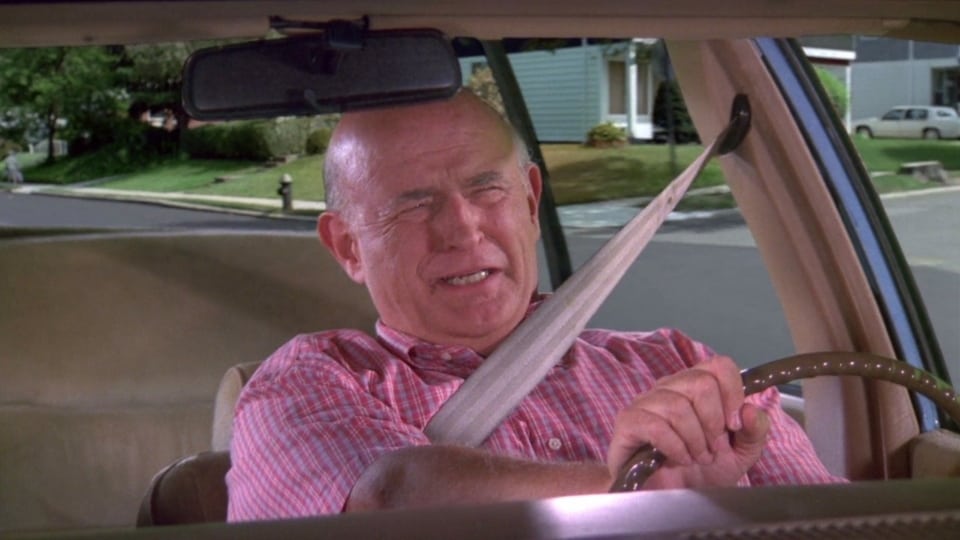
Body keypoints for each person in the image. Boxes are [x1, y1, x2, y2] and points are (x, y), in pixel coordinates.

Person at [227, 90, 842, 521]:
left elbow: (836, 523)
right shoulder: (304, 384)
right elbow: (388, 497)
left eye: (487, 189)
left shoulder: (678, 365)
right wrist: (636, 485)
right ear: (347, 246)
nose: (463, 229)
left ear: (529, 201)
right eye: (413, 205)